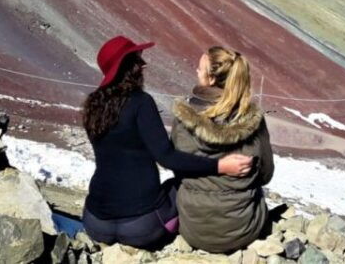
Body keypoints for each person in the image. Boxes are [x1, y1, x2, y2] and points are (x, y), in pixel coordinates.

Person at [81, 36, 253, 250]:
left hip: (95, 222)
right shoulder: (140, 103)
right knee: (178, 187)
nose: (143, 65)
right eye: (137, 59)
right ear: (128, 67)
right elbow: (167, 157)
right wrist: (220, 166)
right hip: (141, 227)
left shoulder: (93, 105)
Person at [170, 46, 274, 254]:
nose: (197, 72)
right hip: (243, 230)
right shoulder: (252, 120)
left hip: (193, 230)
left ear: (210, 80)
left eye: (200, 69)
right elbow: (265, 174)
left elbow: (178, 167)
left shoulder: (183, 117)